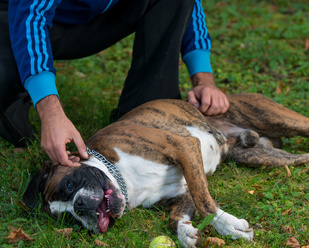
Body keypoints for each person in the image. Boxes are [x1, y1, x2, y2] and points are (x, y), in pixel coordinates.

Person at [0, 0, 228, 167]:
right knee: (12, 108)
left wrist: (203, 78)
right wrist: (51, 113)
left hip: (93, 18)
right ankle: (13, 101)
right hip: (13, 15)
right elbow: (30, 16)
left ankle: (146, 116)